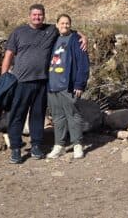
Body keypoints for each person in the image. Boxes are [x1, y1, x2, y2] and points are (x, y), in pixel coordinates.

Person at [0, 4, 85, 164]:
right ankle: (16, 148)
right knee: (17, 115)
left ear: (44, 16)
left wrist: (82, 36)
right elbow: (9, 55)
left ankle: (36, 145)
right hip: (21, 81)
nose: (37, 17)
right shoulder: (18, 32)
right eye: (34, 15)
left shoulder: (50, 30)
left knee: (38, 116)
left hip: (42, 82)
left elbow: (66, 28)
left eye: (40, 15)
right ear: (29, 16)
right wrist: (4, 78)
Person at [46, 14, 90, 159]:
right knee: (57, 117)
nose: (64, 26)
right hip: (52, 85)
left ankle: (77, 144)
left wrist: (80, 83)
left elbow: (83, 63)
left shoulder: (76, 40)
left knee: (73, 115)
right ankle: (59, 145)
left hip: (68, 85)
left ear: (71, 25)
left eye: (67, 23)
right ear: (57, 24)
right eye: (62, 23)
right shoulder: (53, 39)